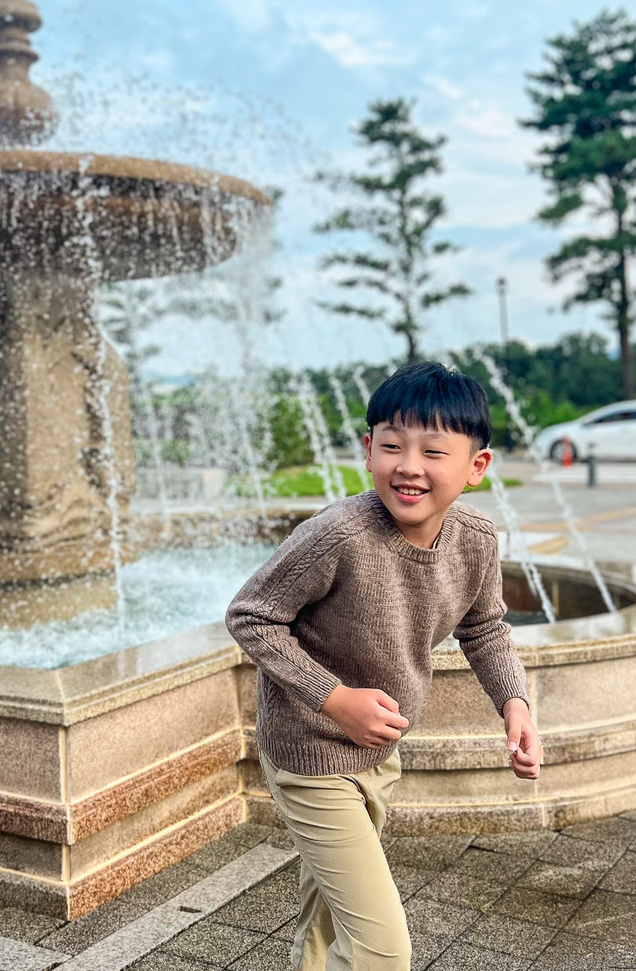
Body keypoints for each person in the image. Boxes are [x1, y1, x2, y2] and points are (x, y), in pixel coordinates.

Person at [225, 361, 542, 970]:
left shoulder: (476, 540)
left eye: (434, 451)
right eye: (392, 446)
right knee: (382, 948)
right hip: (309, 755)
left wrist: (515, 704)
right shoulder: (338, 535)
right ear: (368, 450)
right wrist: (334, 698)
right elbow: (251, 616)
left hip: (378, 751)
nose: (409, 466)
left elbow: (484, 627)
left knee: (327, 914)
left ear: (476, 466)